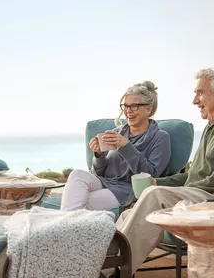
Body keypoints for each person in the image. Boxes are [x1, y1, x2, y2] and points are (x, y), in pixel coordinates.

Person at [96, 68, 214, 278]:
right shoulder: (213, 126)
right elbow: (194, 175)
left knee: (155, 196)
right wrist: (161, 182)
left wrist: (163, 189)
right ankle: (103, 270)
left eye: (200, 93)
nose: (195, 100)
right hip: (210, 192)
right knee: (134, 207)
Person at [60, 81, 171, 212]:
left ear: (148, 109)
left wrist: (126, 146)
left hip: (127, 190)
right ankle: (66, 227)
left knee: (80, 200)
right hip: (106, 183)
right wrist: (99, 155)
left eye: (134, 106)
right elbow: (97, 173)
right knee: (77, 174)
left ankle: (63, 228)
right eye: (125, 106)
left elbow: (150, 175)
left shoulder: (160, 137)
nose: (128, 111)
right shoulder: (117, 132)